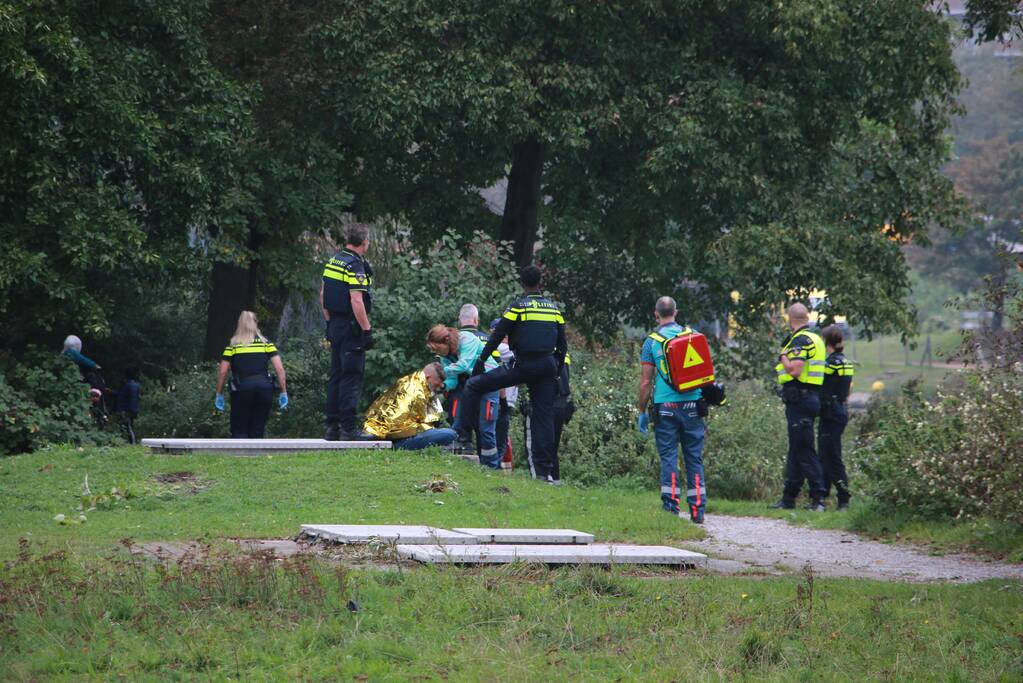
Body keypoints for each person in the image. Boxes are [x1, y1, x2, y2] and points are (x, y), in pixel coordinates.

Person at [453, 265, 567, 482]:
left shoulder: (518, 307)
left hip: (522, 365)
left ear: (522, 283)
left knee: (473, 385)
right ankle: (544, 473)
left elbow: (498, 335)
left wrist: (481, 360)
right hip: (547, 367)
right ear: (540, 282)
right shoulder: (554, 309)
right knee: (543, 419)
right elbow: (562, 345)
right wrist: (556, 369)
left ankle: (464, 438)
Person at [636, 297, 707, 523]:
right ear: (676, 311)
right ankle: (698, 510)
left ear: (656, 314)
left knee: (669, 457)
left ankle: (671, 508)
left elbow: (646, 382)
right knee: (694, 458)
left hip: (665, 407)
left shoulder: (651, 342)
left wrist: (642, 411)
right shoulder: (693, 335)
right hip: (693, 405)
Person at [321, 223, 376, 441]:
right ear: (365, 242)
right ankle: (349, 428)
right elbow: (357, 300)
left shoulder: (334, 261)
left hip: (335, 324)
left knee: (336, 375)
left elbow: (323, 294)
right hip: (351, 328)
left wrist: (328, 321)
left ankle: (332, 427)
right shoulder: (354, 266)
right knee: (351, 377)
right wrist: (366, 329)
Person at [772, 303, 828, 512]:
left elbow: (795, 370)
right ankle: (789, 498)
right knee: (796, 448)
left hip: (801, 399)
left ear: (790, 318)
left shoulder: (800, 340)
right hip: (807, 398)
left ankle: (818, 498)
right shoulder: (816, 338)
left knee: (804, 449)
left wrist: (783, 357)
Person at [426, 324, 501, 468]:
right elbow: (453, 379)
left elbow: (464, 365)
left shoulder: (466, 339)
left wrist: (439, 372)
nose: (437, 353)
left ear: (446, 340)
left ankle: (491, 467)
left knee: (486, 428)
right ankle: (463, 459)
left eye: (437, 348)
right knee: (458, 422)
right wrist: (442, 385)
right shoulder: (445, 356)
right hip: (471, 385)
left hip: (489, 381)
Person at [215, 311, 288, 439]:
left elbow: (223, 371)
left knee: (239, 429)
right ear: (256, 323)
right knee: (258, 430)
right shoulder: (266, 343)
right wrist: (283, 392)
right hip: (264, 389)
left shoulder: (233, 345)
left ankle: (241, 450)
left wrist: (219, 394)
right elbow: (280, 369)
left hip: (242, 389)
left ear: (239, 324)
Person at [364, 362, 458, 450]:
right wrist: (426, 429)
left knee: (442, 433)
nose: (441, 386)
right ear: (428, 377)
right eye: (438, 382)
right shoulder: (415, 391)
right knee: (450, 434)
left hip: (385, 434)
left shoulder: (411, 381)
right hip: (396, 441)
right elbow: (395, 427)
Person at [819, 325, 855, 510]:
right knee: (827, 455)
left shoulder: (830, 364)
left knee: (832, 456)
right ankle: (822, 496)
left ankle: (843, 498)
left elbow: (822, 386)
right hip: (840, 410)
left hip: (830, 413)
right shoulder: (846, 362)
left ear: (827, 343)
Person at [490, 317, 518, 464]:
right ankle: (496, 464)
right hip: (501, 400)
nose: (506, 336)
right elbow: (520, 353)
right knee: (499, 436)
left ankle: (498, 464)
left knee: (500, 436)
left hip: (503, 400)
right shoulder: (501, 348)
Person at [114, 367, 141, 444]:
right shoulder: (136, 385)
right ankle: (129, 443)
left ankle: (132, 443)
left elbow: (122, 396)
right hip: (132, 409)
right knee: (129, 426)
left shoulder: (127, 385)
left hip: (126, 410)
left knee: (128, 427)